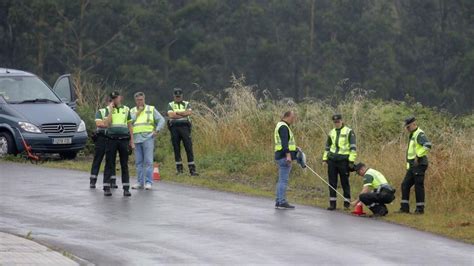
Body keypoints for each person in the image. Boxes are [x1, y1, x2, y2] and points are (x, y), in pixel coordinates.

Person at [130, 92, 166, 190]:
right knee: (138, 162)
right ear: (135, 101)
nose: (140, 102)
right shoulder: (132, 110)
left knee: (149, 161)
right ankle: (139, 182)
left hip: (148, 138)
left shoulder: (151, 109)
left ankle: (148, 182)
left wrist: (157, 130)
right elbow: (129, 122)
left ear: (144, 99)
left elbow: (161, 120)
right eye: (138, 100)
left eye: (141, 100)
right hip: (137, 139)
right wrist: (138, 112)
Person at [322, 114, 357, 210]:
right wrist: (325, 159)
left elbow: (353, 147)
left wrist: (351, 161)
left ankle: (346, 203)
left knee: (344, 182)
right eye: (335, 122)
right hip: (332, 160)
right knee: (332, 182)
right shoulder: (331, 132)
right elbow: (327, 147)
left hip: (343, 160)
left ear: (342, 121)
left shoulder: (349, 131)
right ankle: (332, 204)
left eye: (338, 122)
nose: (336, 124)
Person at [102, 91, 134, 197]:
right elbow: (106, 124)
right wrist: (111, 111)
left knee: (124, 164)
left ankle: (126, 188)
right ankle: (106, 187)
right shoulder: (108, 109)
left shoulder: (126, 109)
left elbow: (130, 126)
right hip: (111, 139)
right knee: (109, 163)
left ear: (120, 98)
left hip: (124, 139)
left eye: (116, 98)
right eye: (113, 98)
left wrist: (132, 141)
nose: (114, 100)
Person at [398, 116, 432, 214]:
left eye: (408, 127)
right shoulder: (412, 134)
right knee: (405, 185)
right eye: (406, 127)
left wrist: (419, 155)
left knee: (418, 186)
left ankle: (420, 209)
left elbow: (428, 145)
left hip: (419, 164)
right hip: (413, 166)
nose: (407, 129)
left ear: (414, 124)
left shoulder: (419, 134)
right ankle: (404, 208)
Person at [167, 88, 198, 176]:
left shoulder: (187, 103)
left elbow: (189, 113)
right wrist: (182, 114)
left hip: (185, 127)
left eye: (179, 96)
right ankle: (179, 170)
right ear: (174, 96)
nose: (178, 98)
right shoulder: (170, 104)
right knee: (176, 148)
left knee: (188, 147)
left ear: (182, 96)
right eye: (176, 96)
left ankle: (192, 170)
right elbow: (170, 115)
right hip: (174, 128)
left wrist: (176, 113)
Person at [89, 97, 116, 188]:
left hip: (112, 138)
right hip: (101, 137)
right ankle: (93, 181)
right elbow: (99, 124)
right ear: (108, 102)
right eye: (112, 102)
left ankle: (112, 181)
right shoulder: (101, 111)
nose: (114, 104)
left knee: (111, 160)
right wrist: (108, 123)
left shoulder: (119, 112)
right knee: (98, 159)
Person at [274, 111, 297, 209]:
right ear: (287, 117)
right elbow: (284, 143)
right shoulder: (284, 127)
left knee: (280, 180)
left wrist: (296, 147)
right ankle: (282, 201)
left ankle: (278, 201)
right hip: (284, 157)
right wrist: (288, 155)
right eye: (292, 118)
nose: (293, 120)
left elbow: (287, 142)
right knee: (283, 180)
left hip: (279, 155)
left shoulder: (279, 125)